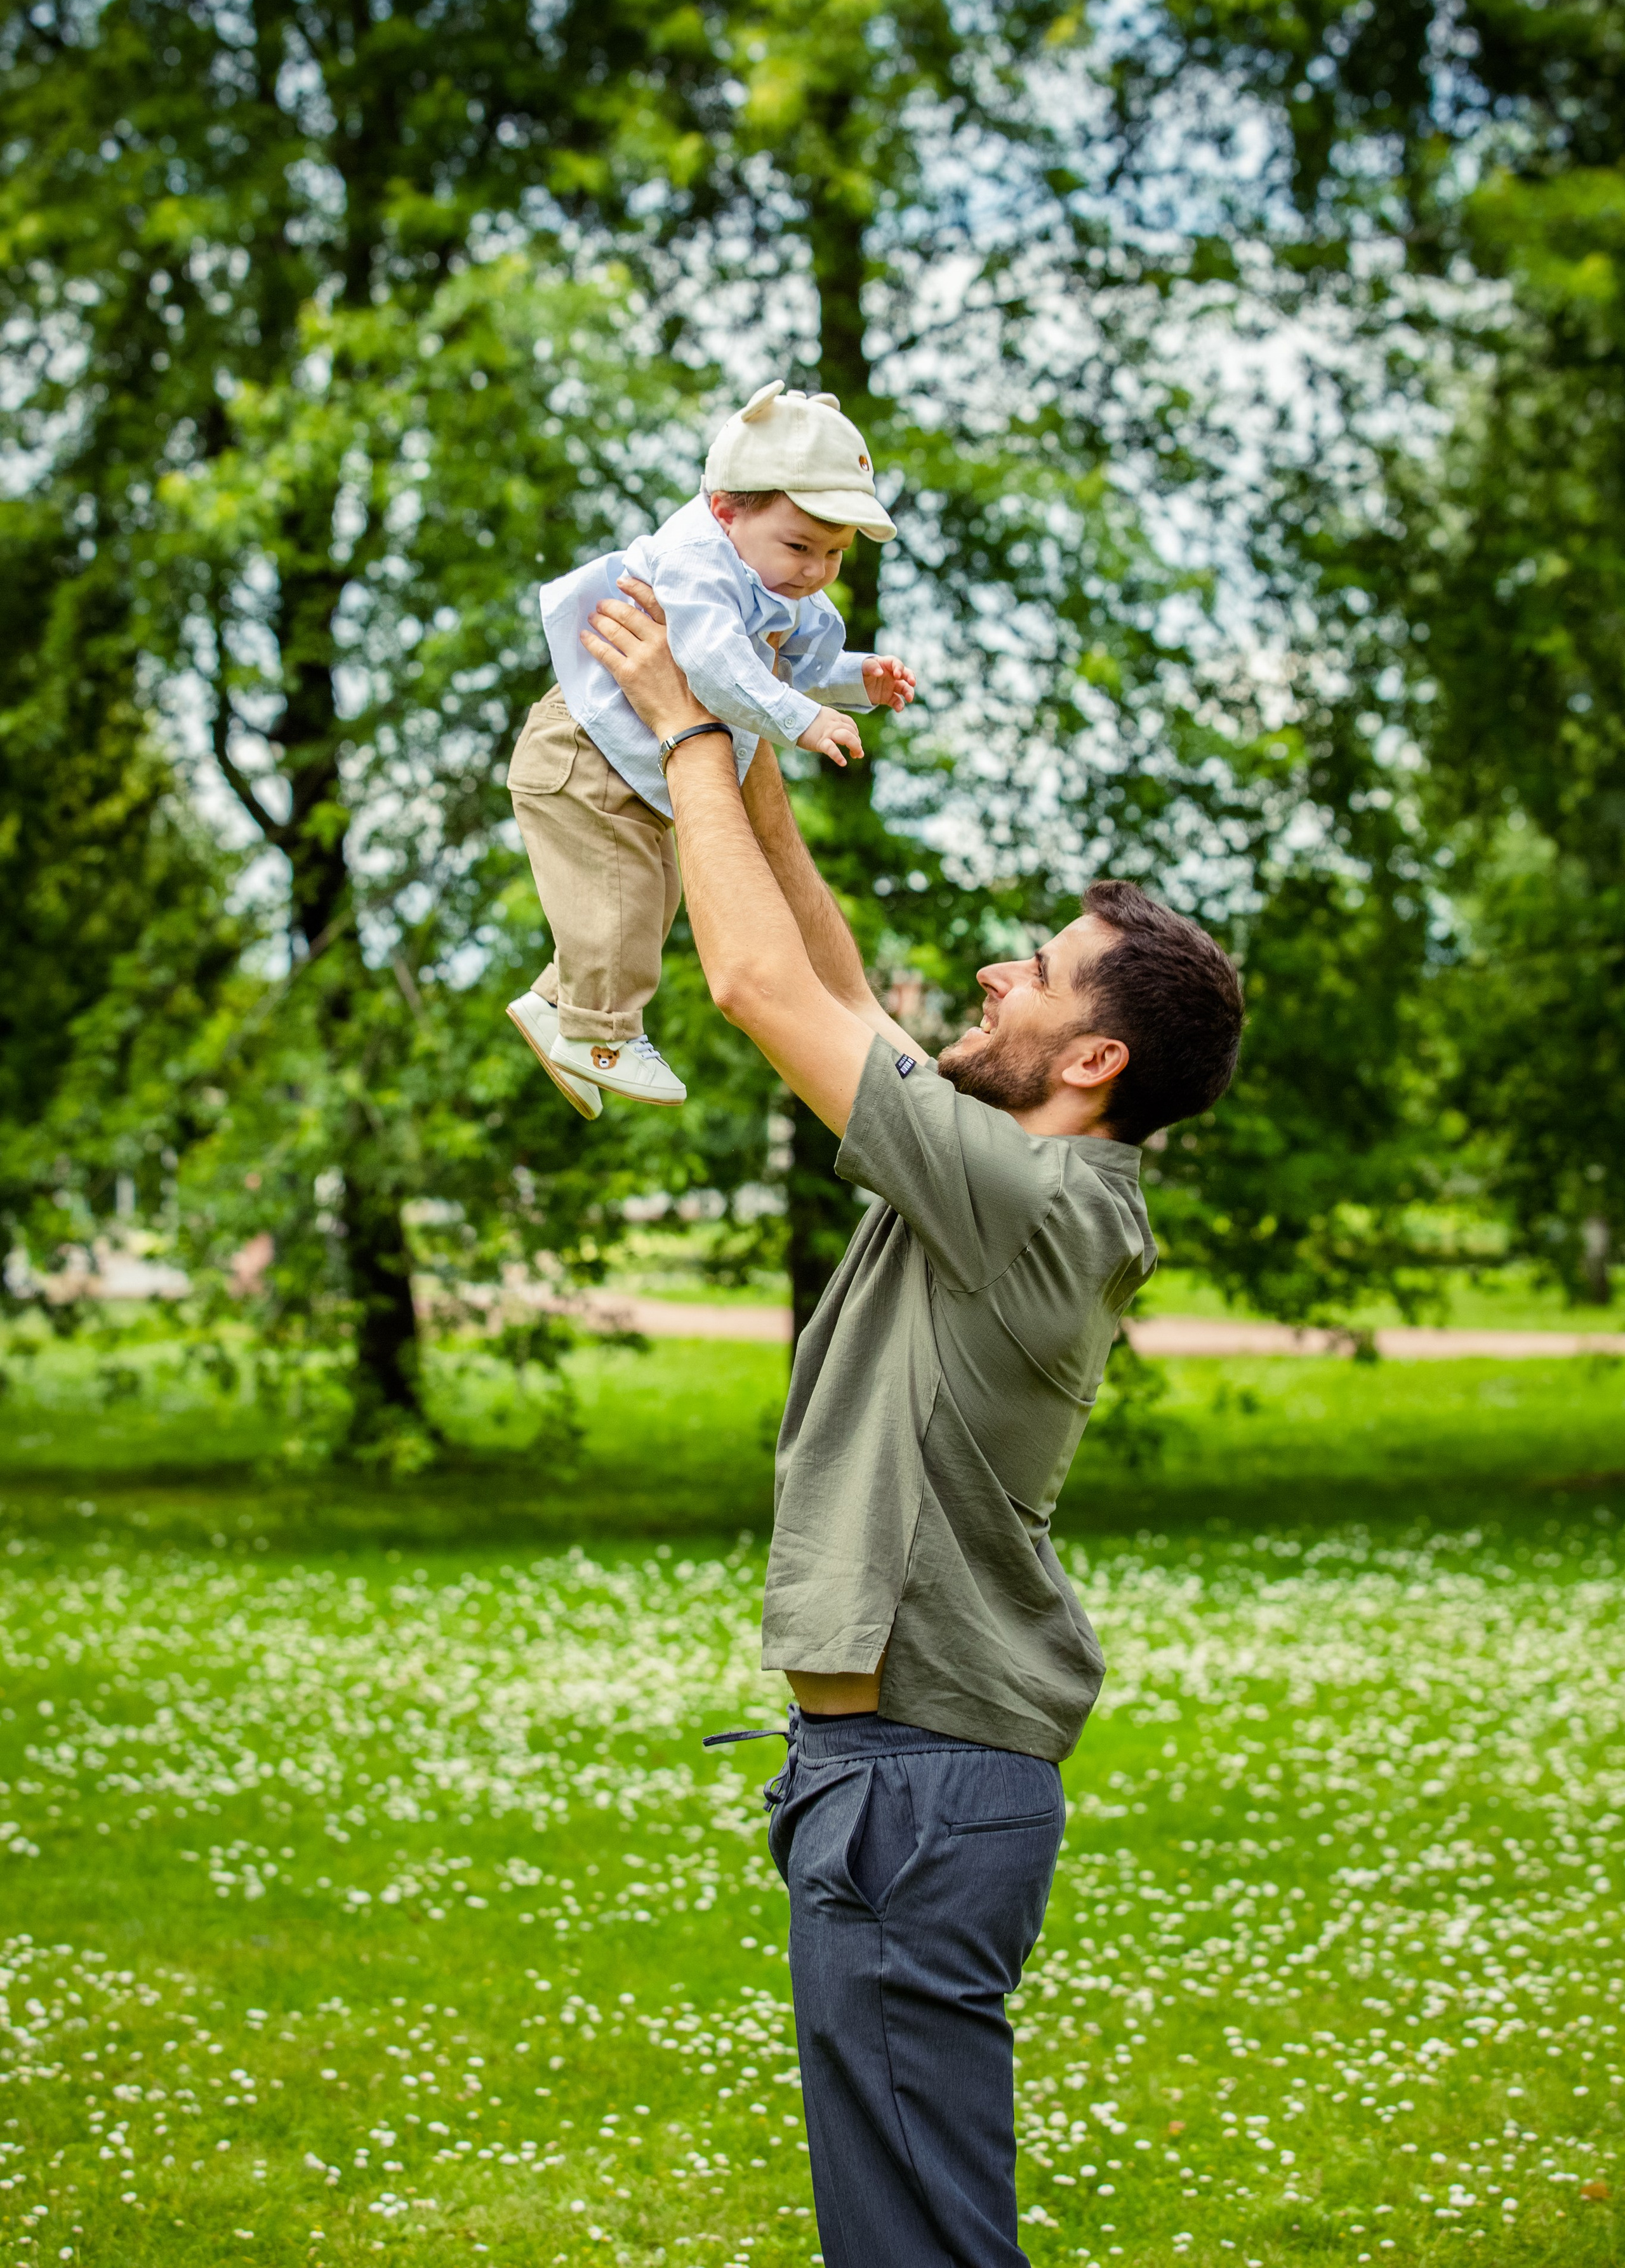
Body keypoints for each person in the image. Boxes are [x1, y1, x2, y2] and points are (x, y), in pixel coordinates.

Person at [577, 574, 1245, 2268]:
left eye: (1035, 974)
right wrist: (760, 731)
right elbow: (831, 973)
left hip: (919, 1785)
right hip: (905, 1780)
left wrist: (679, 724)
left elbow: (750, 983)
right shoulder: (1012, 1175)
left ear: (1089, 1060)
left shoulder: (1031, 1199)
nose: (995, 977)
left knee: (920, 2251)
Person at [504, 381, 915, 1118]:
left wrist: (861, 678)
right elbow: (716, 666)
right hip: (582, 749)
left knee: (648, 896)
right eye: (800, 546)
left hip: (618, 765)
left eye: (834, 553)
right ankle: (599, 1034)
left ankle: (558, 1006)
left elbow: (805, 660)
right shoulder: (699, 559)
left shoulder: (777, 575)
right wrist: (802, 722)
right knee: (628, 893)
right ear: (727, 507)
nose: (815, 569)